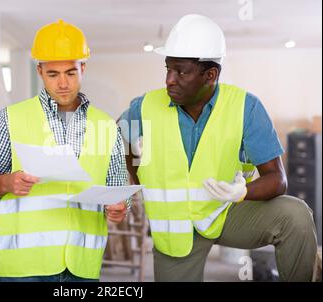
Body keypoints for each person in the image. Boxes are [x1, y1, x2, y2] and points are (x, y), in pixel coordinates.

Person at [118, 14, 317, 282]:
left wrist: (242, 192)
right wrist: (134, 174)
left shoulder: (246, 107)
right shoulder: (145, 106)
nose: (169, 80)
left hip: (225, 212)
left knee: (295, 214)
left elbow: (277, 180)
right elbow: (117, 137)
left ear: (210, 75)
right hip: (174, 228)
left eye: (181, 71)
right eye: (168, 69)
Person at [0, 19, 130, 282]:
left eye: (71, 72)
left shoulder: (106, 125)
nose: (63, 83)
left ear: (83, 68)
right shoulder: (12, 118)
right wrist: (6, 182)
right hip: (24, 264)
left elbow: (117, 186)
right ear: (40, 71)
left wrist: (119, 208)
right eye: (53, 74)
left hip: (81, 264)